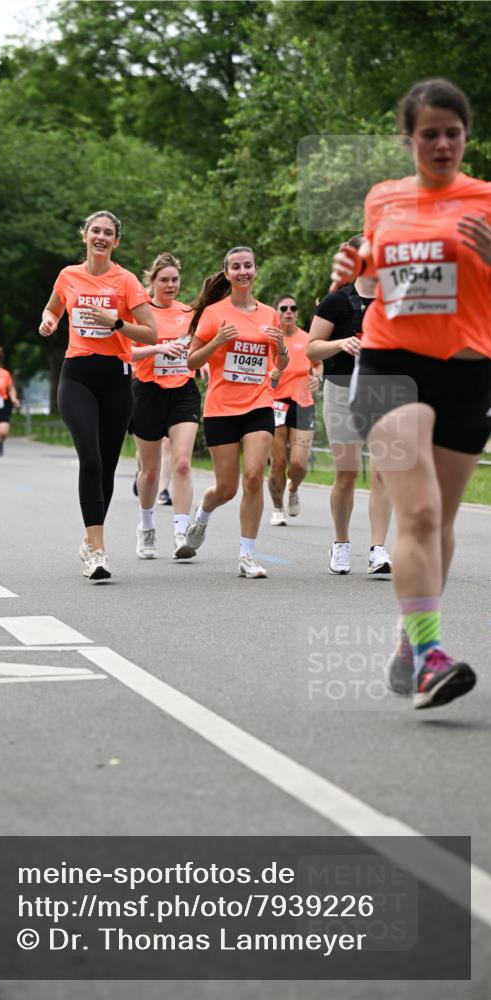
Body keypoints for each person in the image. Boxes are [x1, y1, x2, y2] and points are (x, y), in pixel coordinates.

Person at [330, 78, 489, 710]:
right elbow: (370, 266)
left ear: (466, 136)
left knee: (441, 520)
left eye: (454, 133)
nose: (443, 144)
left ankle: (411, 638)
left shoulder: (484, 198)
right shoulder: (384, 198)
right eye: (430, 134)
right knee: (417, 513)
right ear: (408, 139)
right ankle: (429, 658)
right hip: (392, 358)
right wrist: (354, 267)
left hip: (470, 366)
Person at [39, 210, 157, 581]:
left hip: (115, 376)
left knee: (106, 464)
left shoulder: (127, 281)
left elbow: (151, 333)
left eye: (108, 233)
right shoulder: (68, 276)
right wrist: (49, 321)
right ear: (85, 236)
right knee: (89, 456)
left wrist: (116, 323)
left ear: (116, 241)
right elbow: (53, 307)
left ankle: (90, 540)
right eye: (96, 231)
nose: (101, 237)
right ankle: (98, 550)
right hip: (76, 375)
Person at [185, 246, 289, 577]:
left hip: (259, 402)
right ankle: (203, 512)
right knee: (227, 488)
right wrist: (216, 342)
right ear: (227, 274)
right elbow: (191, 361)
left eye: (248, 265)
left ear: (256, 271)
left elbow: (279, 363)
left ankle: (247, 555)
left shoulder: (270, 314)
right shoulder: (214, 313)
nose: (243, 271)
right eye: (236, 267)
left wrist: (283, 350)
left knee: (255, 476)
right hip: (221, 408)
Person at [307, 235, 393, 575]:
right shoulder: (336, 302)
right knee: (346, 474)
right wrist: (342, 343)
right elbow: (311, 348)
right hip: (342, 390)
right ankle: (341, 544)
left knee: (382, 472)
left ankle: (378, 549)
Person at [130, 251, 200, 559]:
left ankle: (181, 532)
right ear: (152, 282)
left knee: (182, 461)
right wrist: (159, 348)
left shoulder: (189, 312)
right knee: (150, 470)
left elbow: (199, 346)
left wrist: (205, 361)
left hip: (183, 390)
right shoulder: (141, 313)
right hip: (147, 391)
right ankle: (146, 526)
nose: (170, 285)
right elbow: (126, 353)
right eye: (164, 280)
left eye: (175, 280)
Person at [268, 294, 321, 525]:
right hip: (275, 403)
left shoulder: (309, 339)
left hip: (303, 404)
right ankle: (277, 507)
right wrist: (270, 376)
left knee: (299, 464)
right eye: (283, 308)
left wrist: (318, 378)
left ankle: (293, 487)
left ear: (297, 313)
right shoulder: (270, 340)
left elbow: (318, 365)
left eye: (293, 308)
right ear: (276, 313)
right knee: (278, 462)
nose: (289, 311)